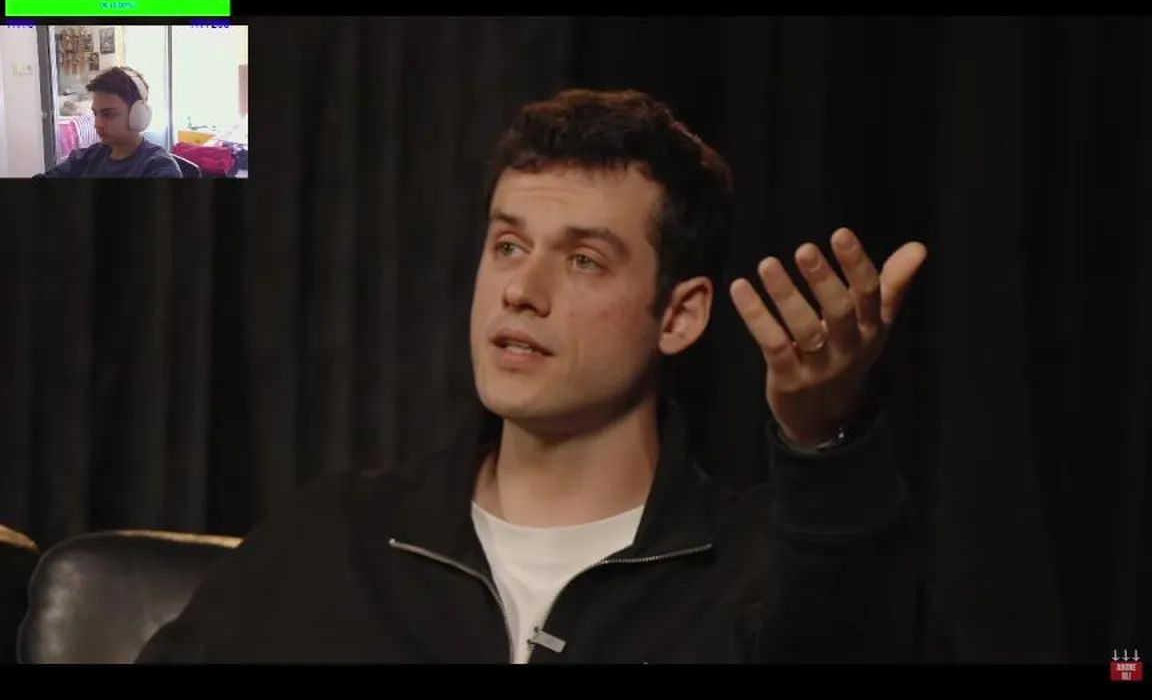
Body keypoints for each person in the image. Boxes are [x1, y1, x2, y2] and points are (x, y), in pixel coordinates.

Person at [136, 89, 930, 664]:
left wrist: (825, 440)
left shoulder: (755, 575)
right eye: (509, 246)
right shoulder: (338, 542)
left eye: (584, 260)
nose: (521, 290)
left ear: (680, 315)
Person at [35, 66, 181, 179]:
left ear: (138, 114)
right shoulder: (87, 157)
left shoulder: (159, 168)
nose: (97, 124)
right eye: (95, 114)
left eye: (108, 114)